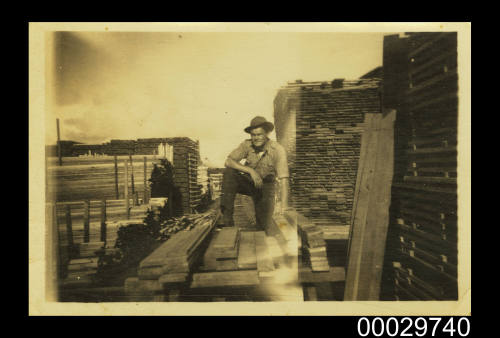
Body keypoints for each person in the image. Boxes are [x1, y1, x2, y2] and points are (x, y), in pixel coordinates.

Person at [221, 116, 290, 229]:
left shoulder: (277, 150)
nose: (256, 138)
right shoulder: (246, 145)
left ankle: (261, 224)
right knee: (229, 173)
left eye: (259, 134)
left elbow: (284, 179)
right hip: (250, 183)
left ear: (267, 134)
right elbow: (228, 161)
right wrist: (250, 171)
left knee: (263, 224)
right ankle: (227, 220)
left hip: (266, 187)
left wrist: (284, 207)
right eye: (253, 135)